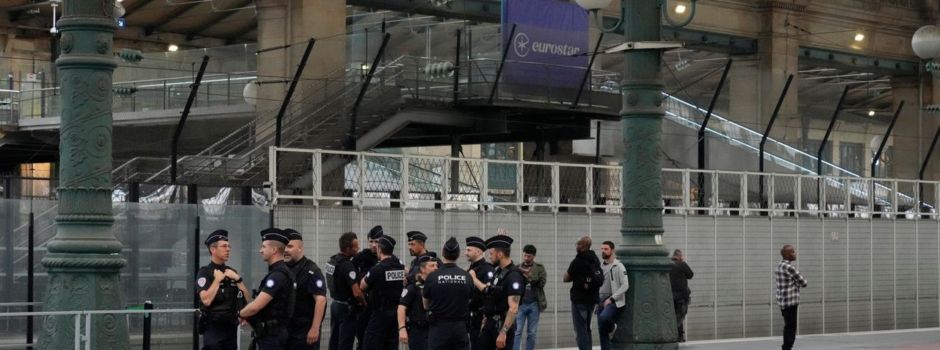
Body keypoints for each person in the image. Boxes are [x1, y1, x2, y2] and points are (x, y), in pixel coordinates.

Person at [238, 228, 296, 350]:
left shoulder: (278, 275)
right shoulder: (278, 272)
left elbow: (256, 306)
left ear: (274, 250)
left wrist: (239, 314)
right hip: (271, 334)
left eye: (264, 247)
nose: (260, 250)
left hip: (272, 336)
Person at [196, 229, 252, 350]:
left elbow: (247, 299)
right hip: (213, 329)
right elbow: (206, 300)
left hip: (231, 329)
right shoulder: (205, 273)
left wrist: (238, 280)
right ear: (213, 249)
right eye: (224, 246)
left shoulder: (232, 272)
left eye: (229, 246)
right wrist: (217, 280)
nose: (228, 249)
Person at [470, 235, 524, 350]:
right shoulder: (498, 272)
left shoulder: (513, 276)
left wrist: (503, 332)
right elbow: (489, 292)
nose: (489, 257)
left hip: (502, 326)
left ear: (500, 254)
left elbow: (513, 307)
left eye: (491, 253)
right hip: (490, 324)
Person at [424, 237, 474, 350]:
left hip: (438, 328)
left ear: (442, 253)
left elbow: (425, 303)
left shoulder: (432, 277)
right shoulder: (466, 276)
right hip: (460, 329)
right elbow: (470, 299)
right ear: (458, 254)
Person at [284, 228, 328, 350]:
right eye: (284, 247)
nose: (286, 250)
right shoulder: (284, 269)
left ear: (300, 248)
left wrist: (314, 329)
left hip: (304, 333)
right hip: (288, 331)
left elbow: (321, 300)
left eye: (290, 246)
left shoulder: (312, 271)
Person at [360, 235, 406, 350]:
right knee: (391, 345)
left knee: (370, 344)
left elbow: (362, 286)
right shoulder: (400, 267)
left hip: (380, 314)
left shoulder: (377, 269)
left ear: (380, 249)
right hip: (395, 314)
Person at [325, 232, 365, 350]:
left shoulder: (332, 261)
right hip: (346, 309)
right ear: (348, 249)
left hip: (335, 305)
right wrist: (364, 303)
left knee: (334, 340)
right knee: (345, 343)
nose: (358, 249)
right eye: (356, 247)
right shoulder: (347, 265)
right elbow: (357, 292)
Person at [563, 236, 601, 350]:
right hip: (592, 299)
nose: (576, 246)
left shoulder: (578, 261)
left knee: (580, 330)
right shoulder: (595, 259)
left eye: (578, 244)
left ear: (583, 246)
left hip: (579, 300)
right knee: (587, 328)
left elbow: (566, 278)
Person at [398, 255, 438, 350]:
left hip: (435, 329)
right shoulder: (413, 288)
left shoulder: (439, 286)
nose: (436, 268)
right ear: (422, 269)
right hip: (418, 331)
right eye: (432, 266)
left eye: (436, 266)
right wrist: (402, 328)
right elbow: (401, 308)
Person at [353, 226, 384, 350]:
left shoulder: (386, 258)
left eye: (377, 242)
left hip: (380, 306)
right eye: (371, 241)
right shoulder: (361, 257)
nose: (374, 245)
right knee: (362, 338)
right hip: (364, 306)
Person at [512, 245, 546, 350]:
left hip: (534, 304)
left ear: (534, 256)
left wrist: (529, 276)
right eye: (525, 256)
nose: (526, 258)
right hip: (520, 304)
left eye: (529, 256)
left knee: (532, 333)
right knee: (517, 331)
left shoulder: (539, 268)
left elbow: (542, 283)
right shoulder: (517, 268)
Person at [596, 241, 628, 350]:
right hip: (600, 300)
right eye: (602, 249)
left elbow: (625, 285)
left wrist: (612, 298)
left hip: (613, 300)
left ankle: (613, 327)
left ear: (612, 250)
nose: (603, 251)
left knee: (604, 318)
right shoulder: (600, 267)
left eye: (606, 249)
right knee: (601, 329)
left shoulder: (618, 266)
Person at [776, 245, 808, 350]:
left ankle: (786, 347)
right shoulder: (789, 267)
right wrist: (796, 283)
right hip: (791, 302)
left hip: (783, 302)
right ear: (787, 254)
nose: (795, 254)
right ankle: (787, 348)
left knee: (787, 326)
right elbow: (803, 282)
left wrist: (794, 282)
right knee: (791, 327)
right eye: (793, 252)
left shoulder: (779, 265)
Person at [466, 236, 495, 350]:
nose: (465, 253)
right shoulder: (471, 269)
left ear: (478, 251)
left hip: (482, 318)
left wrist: (473, 278)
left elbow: (490, 292)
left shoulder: (487, 269)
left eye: (469, 250)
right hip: (472, 318)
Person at [669, 249, 693, 343]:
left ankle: (678, 336)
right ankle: (677, 335)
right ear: (680, 256)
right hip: (681, 296)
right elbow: (690, 275)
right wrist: (683, 262)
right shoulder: (682, 264)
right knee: (680, 316)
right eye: (682, 255)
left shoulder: (668, 264)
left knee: (675, 315)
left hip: (671, 296)